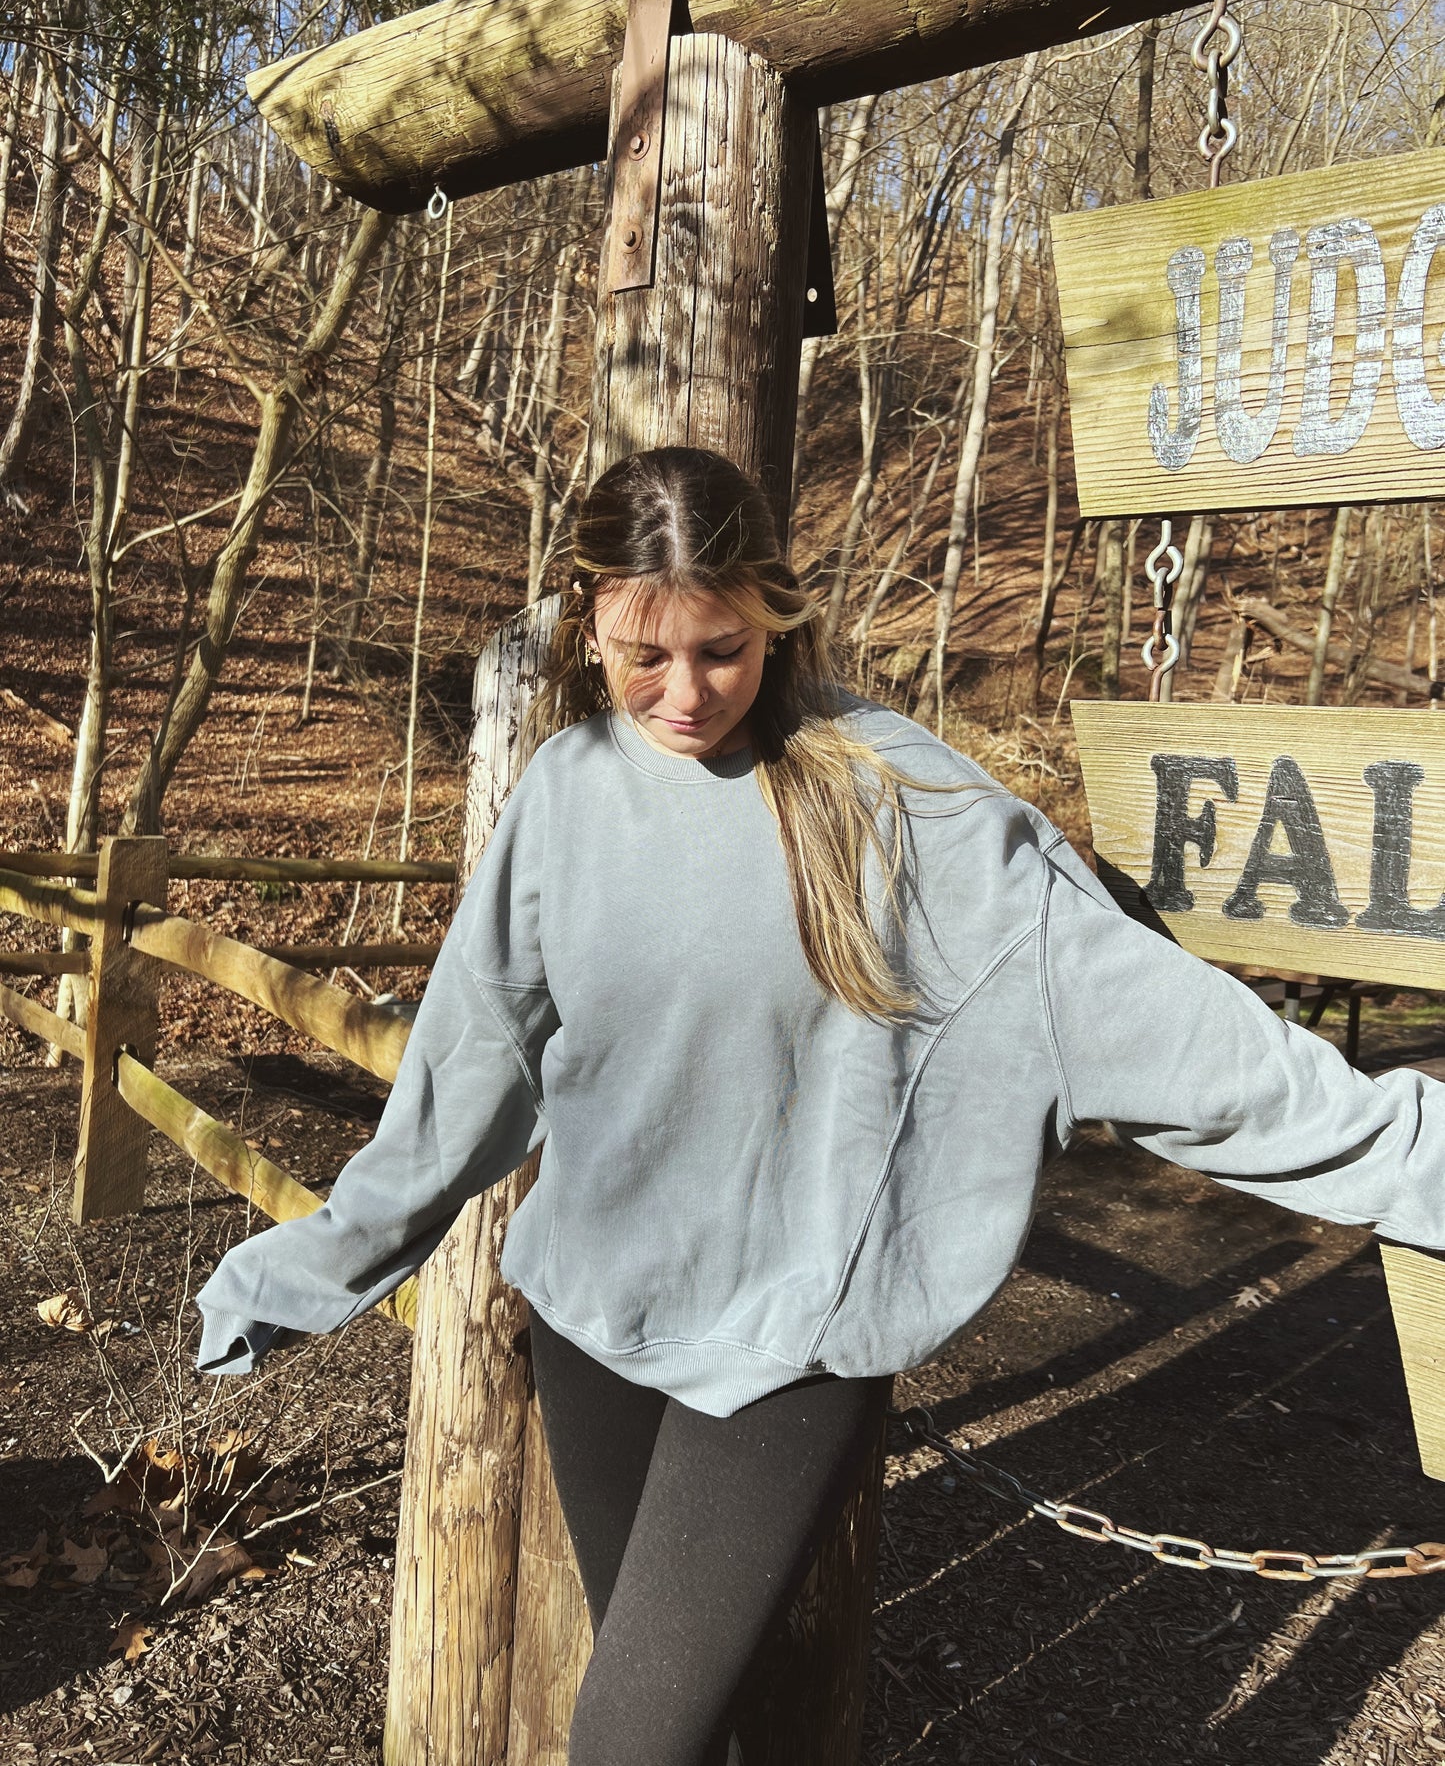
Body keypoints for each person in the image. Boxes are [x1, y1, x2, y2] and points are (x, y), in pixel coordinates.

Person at [195, 445, 1445, 1766]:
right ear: (587, 624)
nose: (682, 695)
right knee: (694, 1729)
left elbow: (1185, 1040)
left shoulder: (898, 795)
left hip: (788, 1346)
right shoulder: (563, 790)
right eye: (641, 655)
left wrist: (1410, 1155)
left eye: (721, 652)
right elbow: (467, 1067)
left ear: (777, 617)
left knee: (627, 1745)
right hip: (590, 1312)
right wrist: (314, 1263)